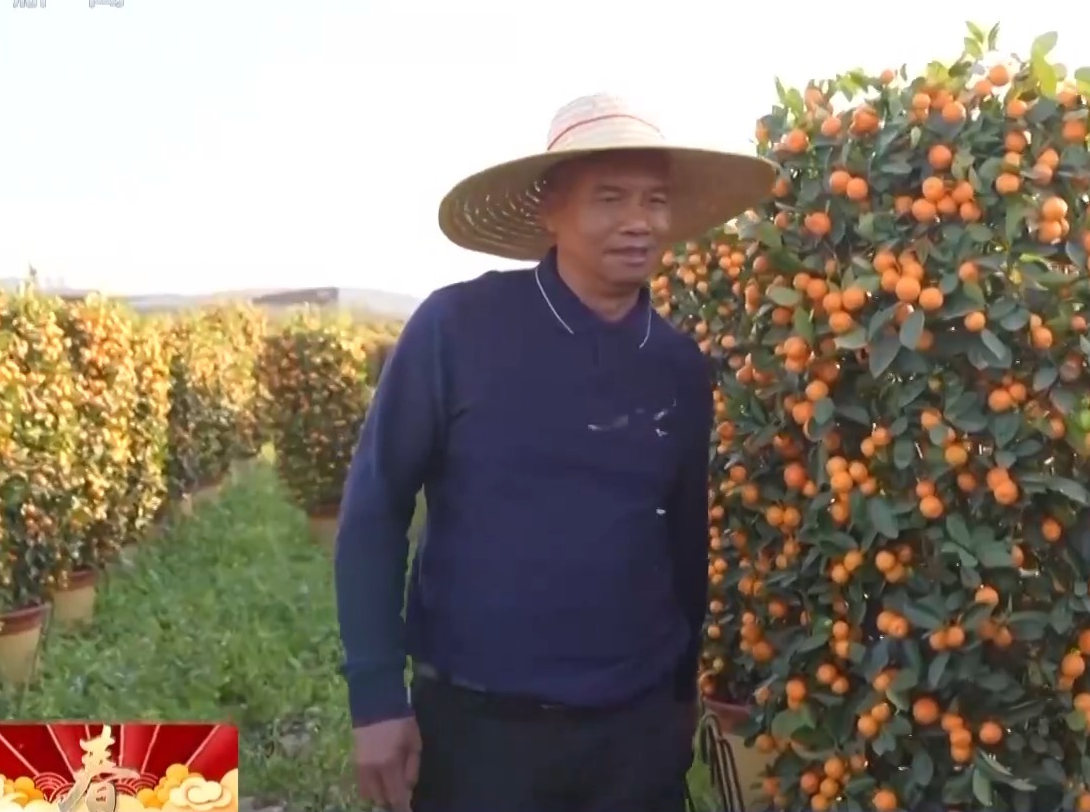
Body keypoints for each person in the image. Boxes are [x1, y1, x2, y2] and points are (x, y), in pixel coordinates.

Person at [333, 94, 778, 812]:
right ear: (552, 208)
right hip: (482, 730)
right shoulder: (457, 329)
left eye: (656, 200)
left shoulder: (677, 366)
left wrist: (678, 691)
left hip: (635, 730)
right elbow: (376, 509)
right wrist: (376, 697)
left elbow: (683, 541)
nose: (640, 221)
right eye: (611, 197)